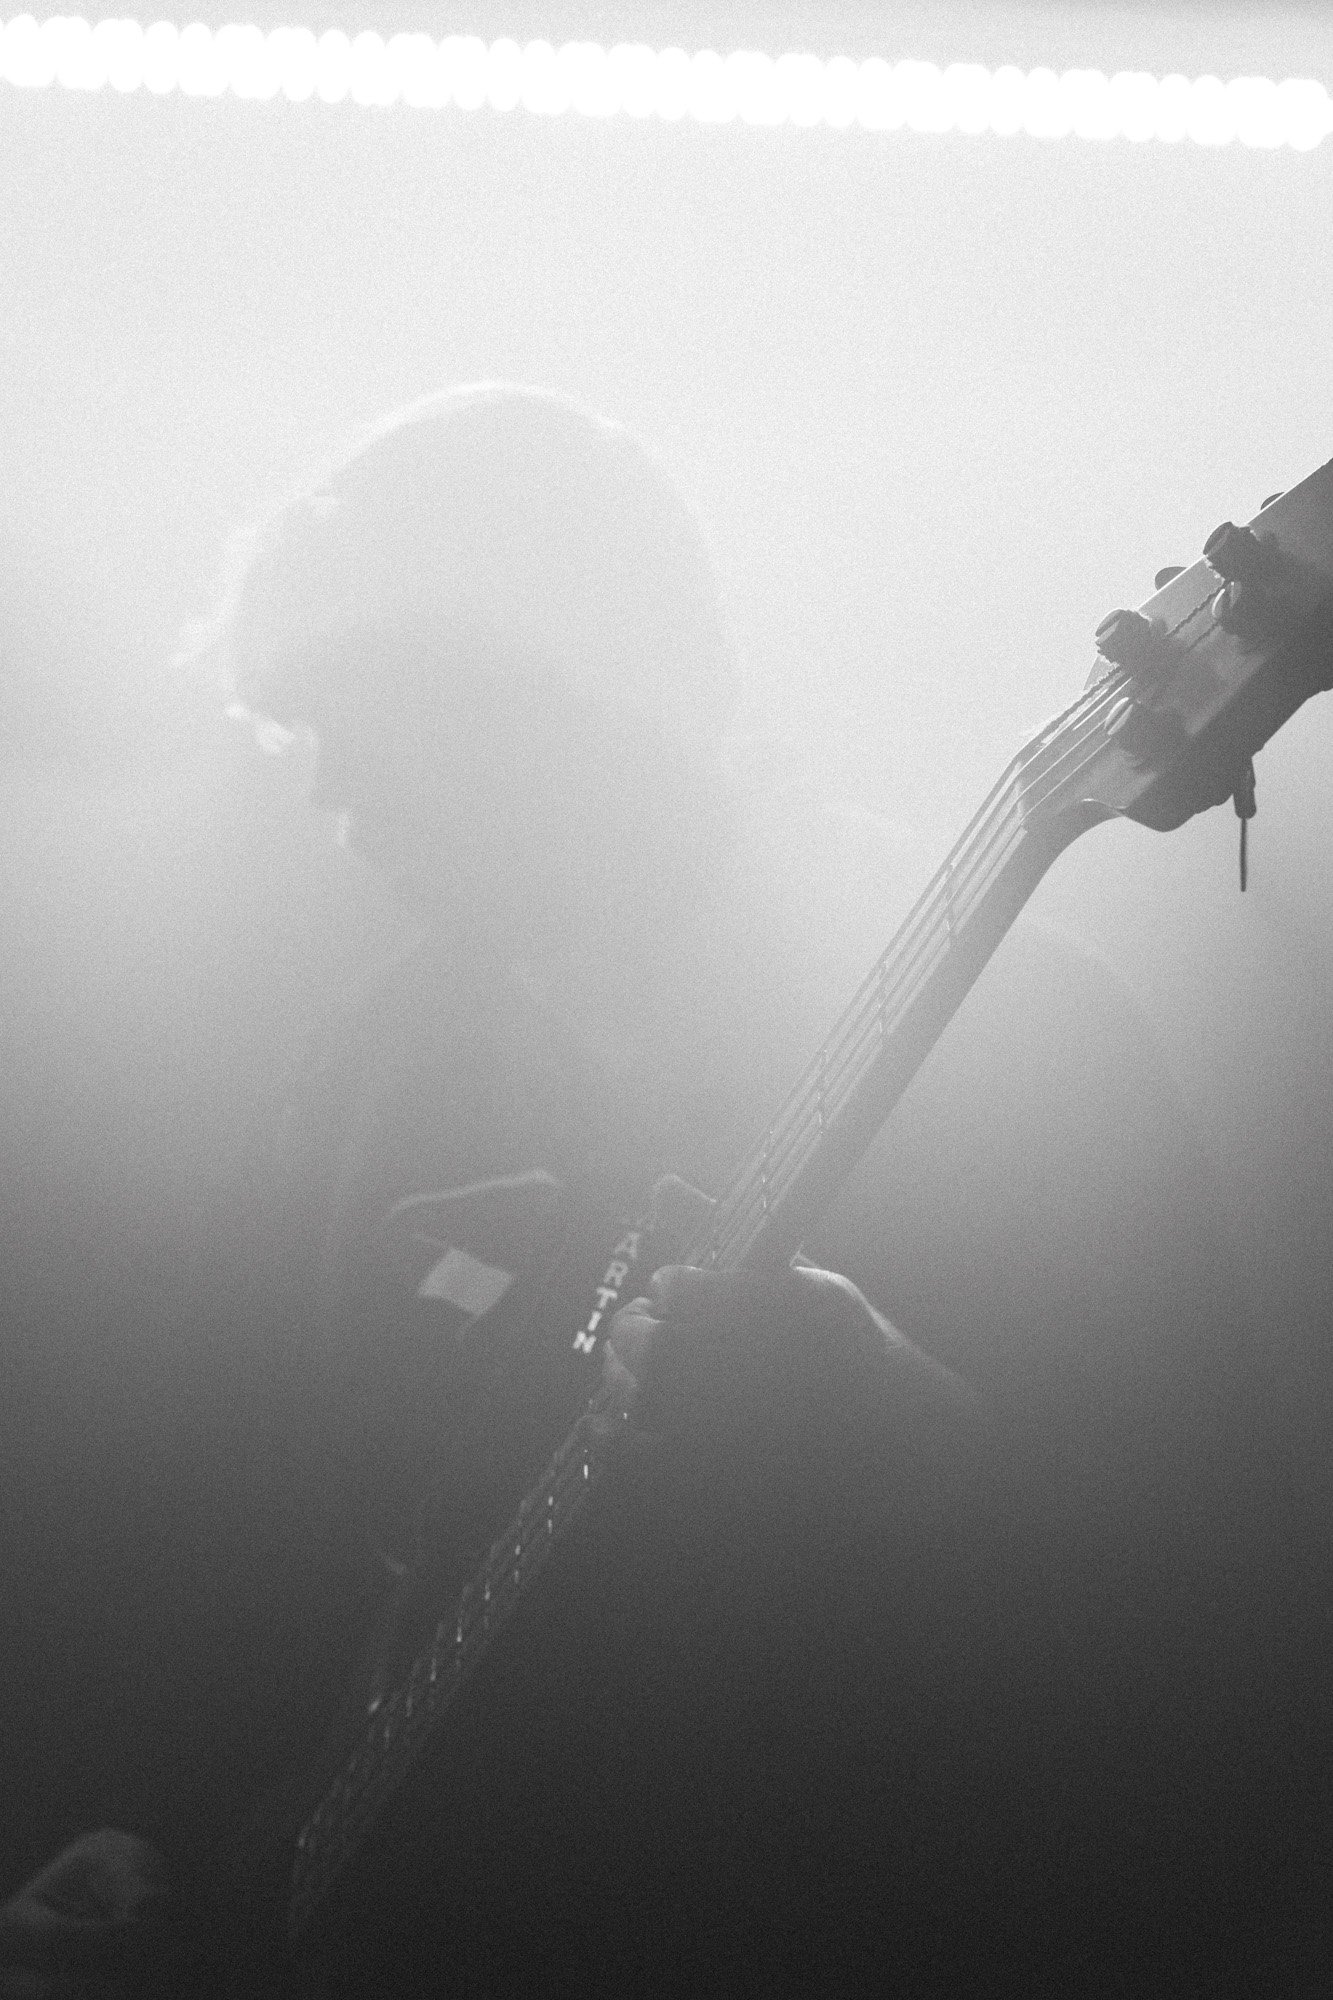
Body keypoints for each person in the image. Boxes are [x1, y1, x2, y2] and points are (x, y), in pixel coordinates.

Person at [156, 381, 1054, 1994]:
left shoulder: (992, 1028)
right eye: (309, 733)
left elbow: (1201, 1586)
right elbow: (244, 1525)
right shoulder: (371, 1076)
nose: (334, 797)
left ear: (576, 692)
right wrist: (151, 1836)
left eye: (379, 719)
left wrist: (891, 1420)